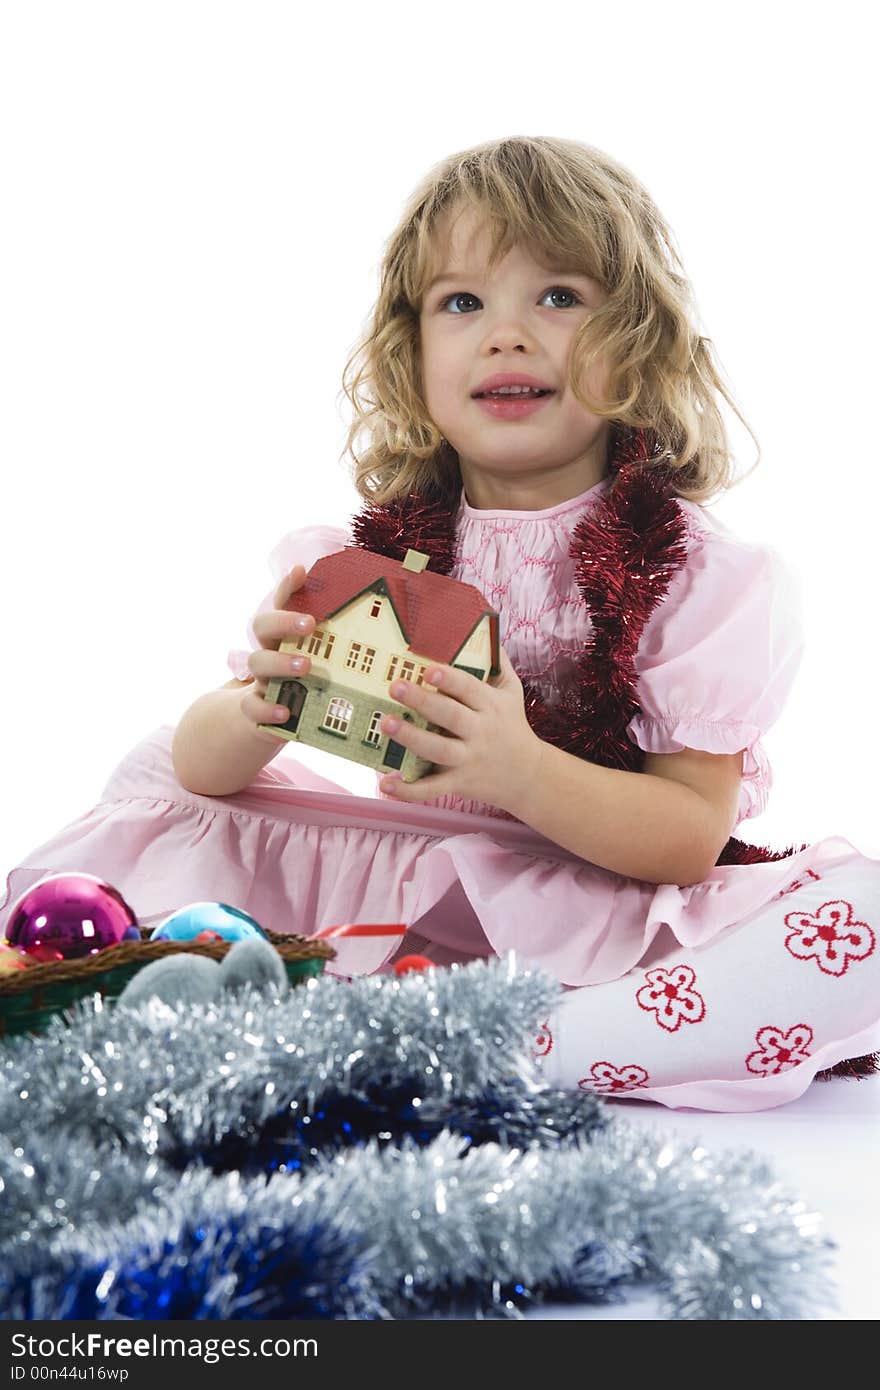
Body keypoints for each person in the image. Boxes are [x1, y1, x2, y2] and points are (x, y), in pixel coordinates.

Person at [3, 136, 878, 1112]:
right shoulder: (370, 558)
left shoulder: (697, 571)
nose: (506, 334)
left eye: (557, 296)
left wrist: (521, 770)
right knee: (165, 771)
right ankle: (344, 1006)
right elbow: (210, 771)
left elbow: (684, 836)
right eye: (462, 303)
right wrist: (259, 705)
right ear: (410, 351)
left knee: (862, 917)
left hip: (604, 899)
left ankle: (509, 1044)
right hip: (413, 879)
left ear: (636, 339)